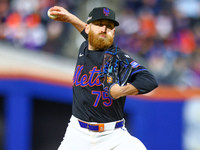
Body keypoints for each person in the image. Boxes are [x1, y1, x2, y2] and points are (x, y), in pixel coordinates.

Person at [48, 6, 158, 150]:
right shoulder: (84, 47)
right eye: (99, 24)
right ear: (88, 28)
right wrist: (71, 18)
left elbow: (149, 81)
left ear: (113, 32)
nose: (104, 29)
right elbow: (91, 34)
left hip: (112, 135)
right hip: (77, 133)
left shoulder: (119, 58)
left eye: (109, 26)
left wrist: (121, 91)